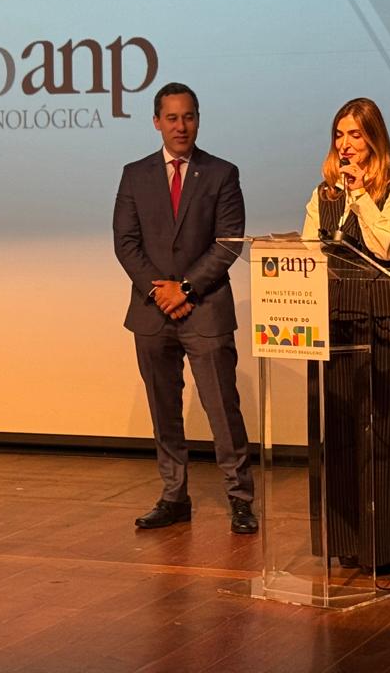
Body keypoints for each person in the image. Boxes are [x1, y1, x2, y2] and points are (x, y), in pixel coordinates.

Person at [113, 82, 256, 534]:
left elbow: (228, 242)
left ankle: (240, 499)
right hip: (152, 311)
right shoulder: (134, 174)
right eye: (172, 118)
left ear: (198, 119)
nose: (181, 126)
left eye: (189, 117)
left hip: (206, 308)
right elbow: (126, 243)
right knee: (164, 409)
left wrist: (186, 289)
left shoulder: (222, 173)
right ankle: (174, 496)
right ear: (156, 122)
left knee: (222, 409)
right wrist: (161, 292)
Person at [300, 97, 390, 573]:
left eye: (355, 134)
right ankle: (348, 542)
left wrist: (363, 197)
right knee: (342, 435)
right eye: (339, 135)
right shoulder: (323, 195)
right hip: (336, 322)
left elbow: (389, 246)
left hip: (385, 325)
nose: (346, 145)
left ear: (374, 138)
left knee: (383, 434)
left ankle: (383, 549)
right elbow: (308, 254)